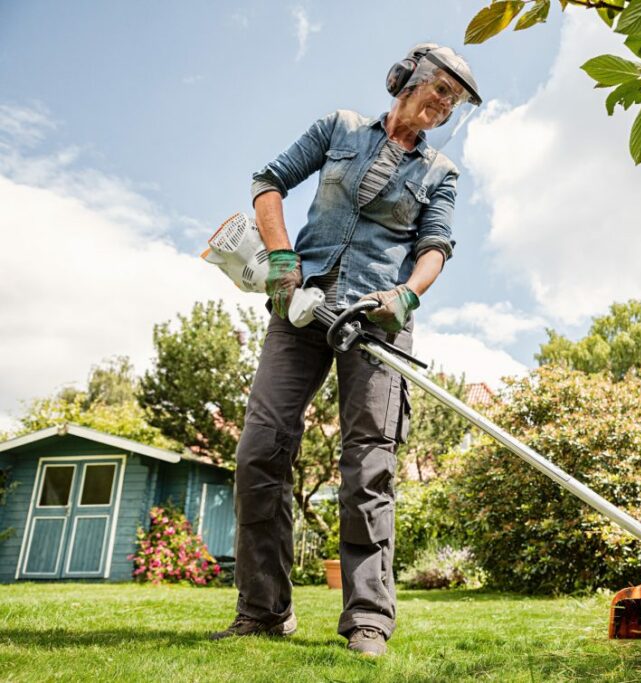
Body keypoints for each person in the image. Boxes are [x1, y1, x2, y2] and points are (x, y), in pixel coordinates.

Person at [209, 43, 481, 657]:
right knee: (260, 450)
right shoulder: (339, 129)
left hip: (376, 322)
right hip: (301, 307)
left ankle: (367, 620)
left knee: (368, 467)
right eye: (439, 89)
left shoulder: (440, 172)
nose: (443, 105)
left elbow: (435, 245)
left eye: (454, 101)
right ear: (406, 78)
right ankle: (263, 611)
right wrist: (283, 264)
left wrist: (406, 297)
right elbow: (268, 182)